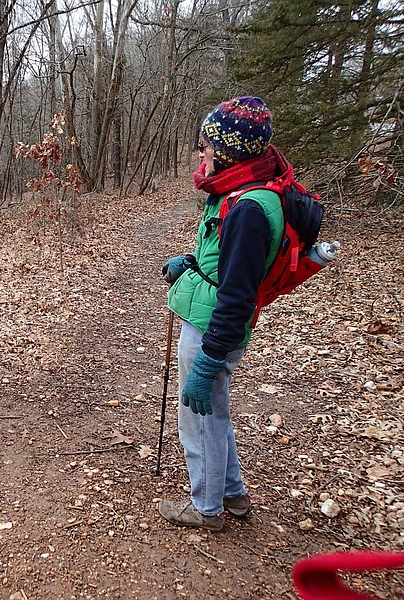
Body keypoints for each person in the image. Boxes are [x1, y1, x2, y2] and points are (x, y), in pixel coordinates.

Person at [157, 96, 293, 531]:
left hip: (213, 327)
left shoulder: (250, 208)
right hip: (212, 318)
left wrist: (209, 359)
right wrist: (192, 262)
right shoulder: (239, 189)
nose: (202, 153)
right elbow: (227, 262)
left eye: (206, 146)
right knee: (214, 411)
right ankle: (231, 493)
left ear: (228, 151)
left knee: (199, 417)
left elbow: (237, 294)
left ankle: (206, 507)